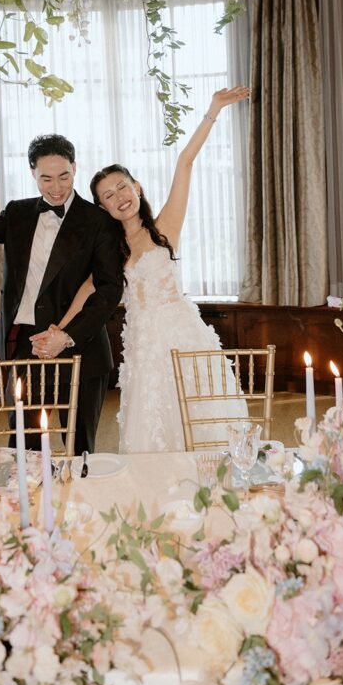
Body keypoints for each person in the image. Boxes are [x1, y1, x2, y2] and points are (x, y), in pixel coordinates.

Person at [82, 86, 250, 453]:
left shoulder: (164, 230)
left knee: (203, 424)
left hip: (183, 337)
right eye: (108, 196)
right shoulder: (111, 254)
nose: (119, 197)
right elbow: (86, 290)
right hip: (144, 348)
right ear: (103, 208)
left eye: (122, 187)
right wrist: (59, 328)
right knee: (152, 428)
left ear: (137, 187)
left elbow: (185, 163)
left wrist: (213, 108)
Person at [0, 134, 123, 455]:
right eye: (46, 178)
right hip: (27, 347)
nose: (57, 187)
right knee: (23, 449)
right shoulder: (19, 213)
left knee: (79, 451)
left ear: (75, 168)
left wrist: (67, 336)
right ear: (32, 174)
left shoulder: (98, 222)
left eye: (64, 176)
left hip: (80, 347)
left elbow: (109, 290)